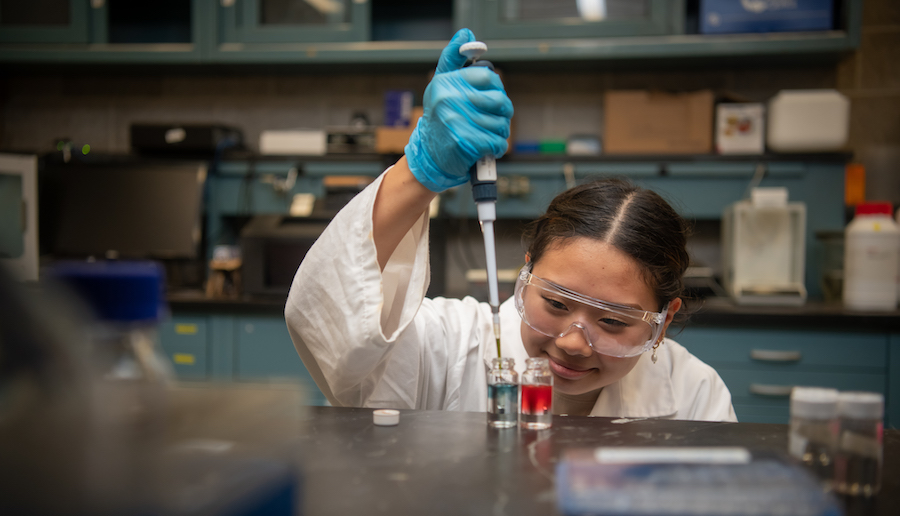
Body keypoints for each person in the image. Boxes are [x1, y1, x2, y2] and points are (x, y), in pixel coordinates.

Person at [285, 29, 736, 422]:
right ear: (526, 276)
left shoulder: (696, 395)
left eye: (613, 321)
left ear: (662, 321)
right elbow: (328, 321)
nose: (574, 343)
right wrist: (417, 172)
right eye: (556, 305)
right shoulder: (452, 346)